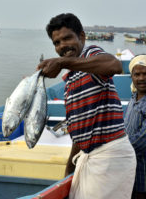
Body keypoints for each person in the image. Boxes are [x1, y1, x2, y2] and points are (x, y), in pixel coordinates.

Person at [37, 13, 136, 199]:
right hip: (88, 157)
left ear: (81, 37)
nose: (62, 46)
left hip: (110, 157)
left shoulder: (90, 55)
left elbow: (113, 65)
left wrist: (61, 62)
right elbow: (80, 129)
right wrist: (69, 168)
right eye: (56, 43)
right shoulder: (70, 80)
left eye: (67, 38)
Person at [124, 55, 146, 199]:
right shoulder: (133, 98)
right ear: (131, 76)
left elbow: (143, 139)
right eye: (137, 74)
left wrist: (118, 149)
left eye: (145, 74)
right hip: (129, 167)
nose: (141, 78)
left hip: (143, 172)